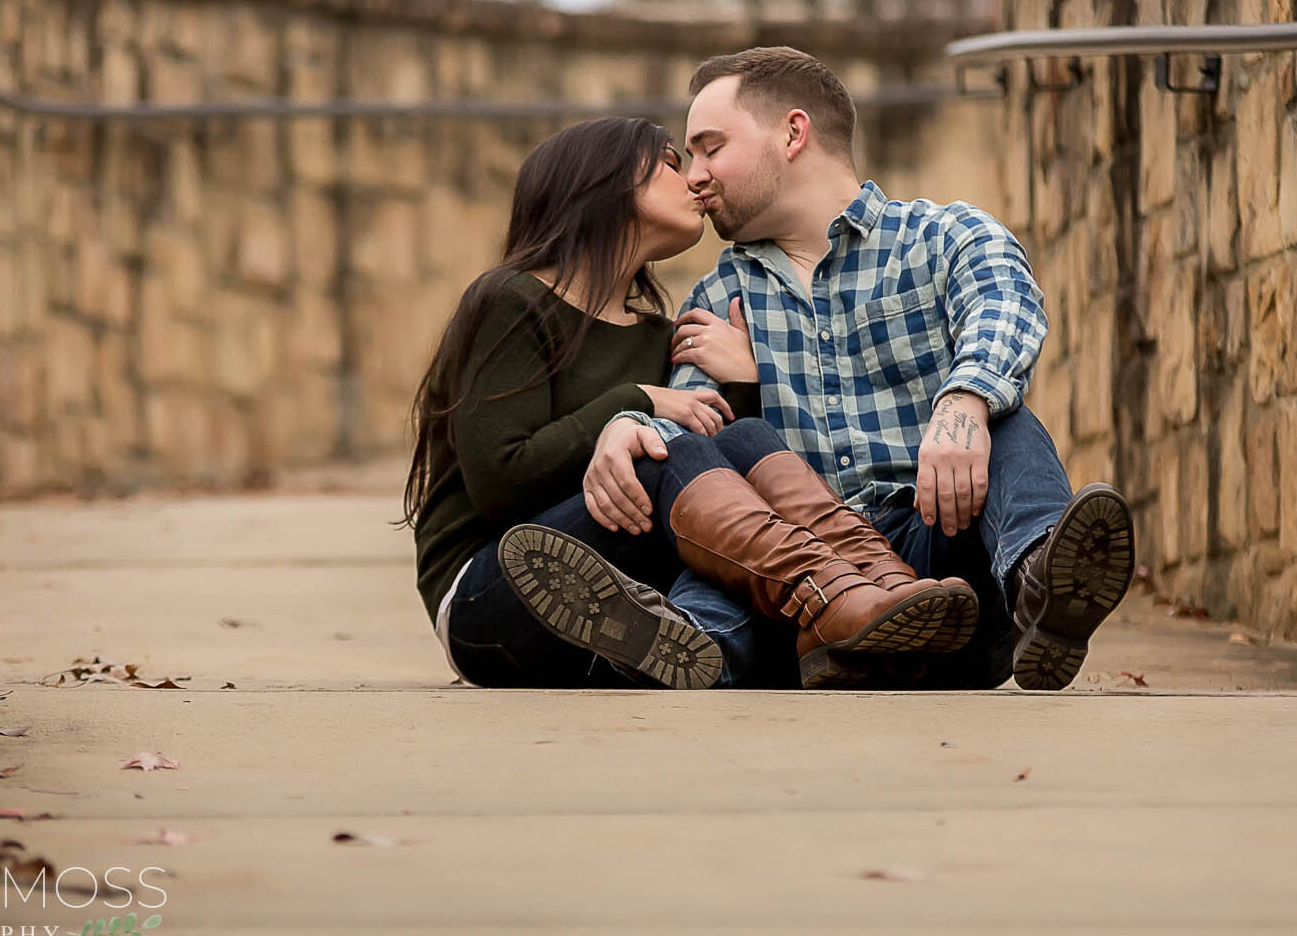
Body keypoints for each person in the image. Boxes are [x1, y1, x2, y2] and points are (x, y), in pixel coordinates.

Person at [579, 47, 1137, 691]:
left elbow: (1003, 303)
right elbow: (692, 434)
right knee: (733, 485)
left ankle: (1043, 585)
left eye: (709, 148)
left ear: (793, 133)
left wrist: (964, 400)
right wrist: (633, 422)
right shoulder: (719, 298)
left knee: (1003, 418)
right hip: (811, 590)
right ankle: (693, 643)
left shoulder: (941, 235)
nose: (695, 176)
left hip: (947, 572)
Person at [404, 116, 973, 691]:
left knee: (737, 441)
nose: (696, 182)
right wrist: (636, 402)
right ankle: (834, 594)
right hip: (495, 596)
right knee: (663, 453)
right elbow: (500, 481)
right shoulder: (513, 299)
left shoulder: (660, 337)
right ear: (604, 182)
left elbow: (727, 483)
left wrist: (747, 381)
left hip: (625, 604)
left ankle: (882, 585)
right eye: (672, 164)